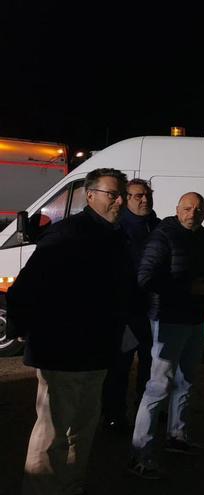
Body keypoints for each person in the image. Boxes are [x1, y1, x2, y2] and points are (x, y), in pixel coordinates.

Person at [8, 168, 133, 495]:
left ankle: (69, 487)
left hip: (97, 351)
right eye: (112, 194)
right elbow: (27, 287)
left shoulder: (115, 236)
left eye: (122, 194)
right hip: (63, 351)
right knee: (53, 432)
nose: (119, 200)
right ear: (89, 195)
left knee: (81, 430)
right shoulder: (69, 234)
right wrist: (22, 328)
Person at [129, 192, 204, 479]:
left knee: (186, 381)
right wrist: (187, 289)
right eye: (188, 208)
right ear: (178, 209)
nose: (193, 213)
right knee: (158, 387)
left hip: (196, 319)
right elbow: (145, 278)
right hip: (168, 320)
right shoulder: (163, 236)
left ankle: (177, 437)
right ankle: (139, 455)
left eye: (198, 209)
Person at [102, 178, 160, 432]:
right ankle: (114, 416)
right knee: (120, 368)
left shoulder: (158, 227)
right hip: (125, 313)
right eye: (138, 196)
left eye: (147, 194)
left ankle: (144, 415)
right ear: (125, 199)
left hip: (153, 312)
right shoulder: (115, 230)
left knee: (151, 367)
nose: (145, 199)